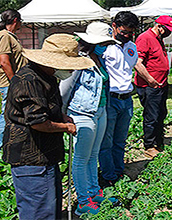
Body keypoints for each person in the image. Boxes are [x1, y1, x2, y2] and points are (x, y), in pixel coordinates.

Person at [3, 34, 94, 220]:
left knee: (50, 207)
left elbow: (46, 109)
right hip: (31, 158)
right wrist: (65, 127)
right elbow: (37, 122)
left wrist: (61, 116)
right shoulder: (29, 80)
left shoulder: (47, 76)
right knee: (38, 212)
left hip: (45, 154)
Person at [60, 22, 119, 215]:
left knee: (93, 155)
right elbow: (65, 90)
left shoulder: (99, 58)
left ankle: (94, 192)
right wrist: (63, 116)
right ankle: (83, 201)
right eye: (104, 42)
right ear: (93, 42)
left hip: (99, 111)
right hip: (81, 114)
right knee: (80, 158)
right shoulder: (78, 60)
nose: (106, 46)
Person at [97, 11, 139, 187]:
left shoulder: (131, 46)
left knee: (120, 139)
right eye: (124, 32)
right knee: (106, 141)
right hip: (111, 99)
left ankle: (118, 170)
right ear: (114, 26)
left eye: (130, 32)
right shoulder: (103, 46)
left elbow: (131, 68)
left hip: (127, 100)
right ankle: (108, 175)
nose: (127, 36)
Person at [134, 15, 172, 158]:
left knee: (161, 113)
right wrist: (150, 79)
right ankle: (149, 145)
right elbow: (137, 63)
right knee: (151, 116)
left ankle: (158, 141)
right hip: (149, 85)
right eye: (167, 29)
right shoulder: (144, 38)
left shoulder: (158, 39)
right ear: (159, 26)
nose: (169, 33)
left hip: (160, 84)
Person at [0, 9, 28, 154]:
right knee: (7, 114)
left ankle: (10, 145)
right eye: (20, 21)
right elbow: (4, 62)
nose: (20, 24)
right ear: (15, 20)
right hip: (9, 83)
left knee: (14, 114)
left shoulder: (9, 36)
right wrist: (14, 82)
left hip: (15, 82)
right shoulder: (4, 36)